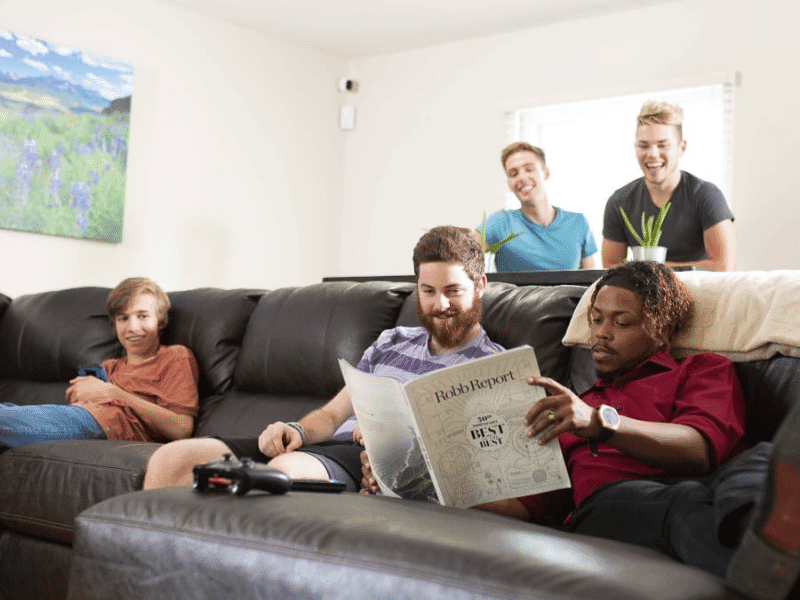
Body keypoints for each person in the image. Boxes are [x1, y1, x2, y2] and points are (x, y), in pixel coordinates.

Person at [143, 226, 505, 492]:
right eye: (428, 291)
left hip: (360, 460)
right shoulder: (391, 341)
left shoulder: (493, 370)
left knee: (282, 473)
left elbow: (475, 462)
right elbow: (332, 414)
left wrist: (390, 445)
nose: (439, 305)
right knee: (170, 460)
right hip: (319, 447)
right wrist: (296, 430)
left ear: (481, 286)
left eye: (453, 291)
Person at [516, 261, 797, 600]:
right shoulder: (572, 408)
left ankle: (771, 546)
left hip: (711, 485)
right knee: (685, 503)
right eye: (596, 319)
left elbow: (698, 450)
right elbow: (527, 504)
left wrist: (600, 423)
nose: (602, 333)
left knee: (764, 458)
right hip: (613, 503)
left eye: (621, 322)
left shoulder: (702, 370)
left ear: (661, 331)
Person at [0, 277, 200, 451]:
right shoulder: (109, 367)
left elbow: (181, 429)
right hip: (81, 418)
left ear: (161, 320)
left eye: (143, 316)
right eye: (123, 318)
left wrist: (114, 393)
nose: (132, 327)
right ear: (114, 326)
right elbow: (77, 409)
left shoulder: (175, 356)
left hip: (111, 426)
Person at [601, 101, 736, 271]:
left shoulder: (706, 195)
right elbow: (610, 267)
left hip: (699, 294)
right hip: (643, 295)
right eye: (643, 145)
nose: (652, 154)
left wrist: (651, 269)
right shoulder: (619, 202)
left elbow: (723, 267)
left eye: (662, 145)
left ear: (682, 147)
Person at [479, 142, 597, 271]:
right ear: (509, 183)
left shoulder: (577, 223)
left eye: (529, 169)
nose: (522, 177)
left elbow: (591, 282)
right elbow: (463, 250)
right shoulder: (500, 222)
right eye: (513, 173)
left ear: (546, 173)